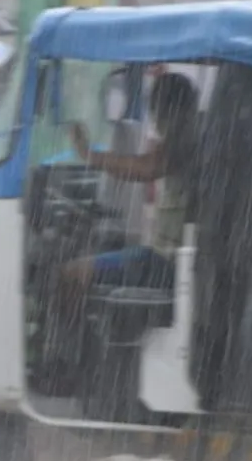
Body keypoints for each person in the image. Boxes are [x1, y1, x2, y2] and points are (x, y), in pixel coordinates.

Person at [51, 72, 199, 365]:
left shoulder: (185, 141)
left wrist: (89, 155)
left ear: (165, 109)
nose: (154, 119)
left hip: (164, 263)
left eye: (155, 109)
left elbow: (143, 168)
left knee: (69, 275)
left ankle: (67, 363)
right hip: (172, 258)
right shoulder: (190, 136)